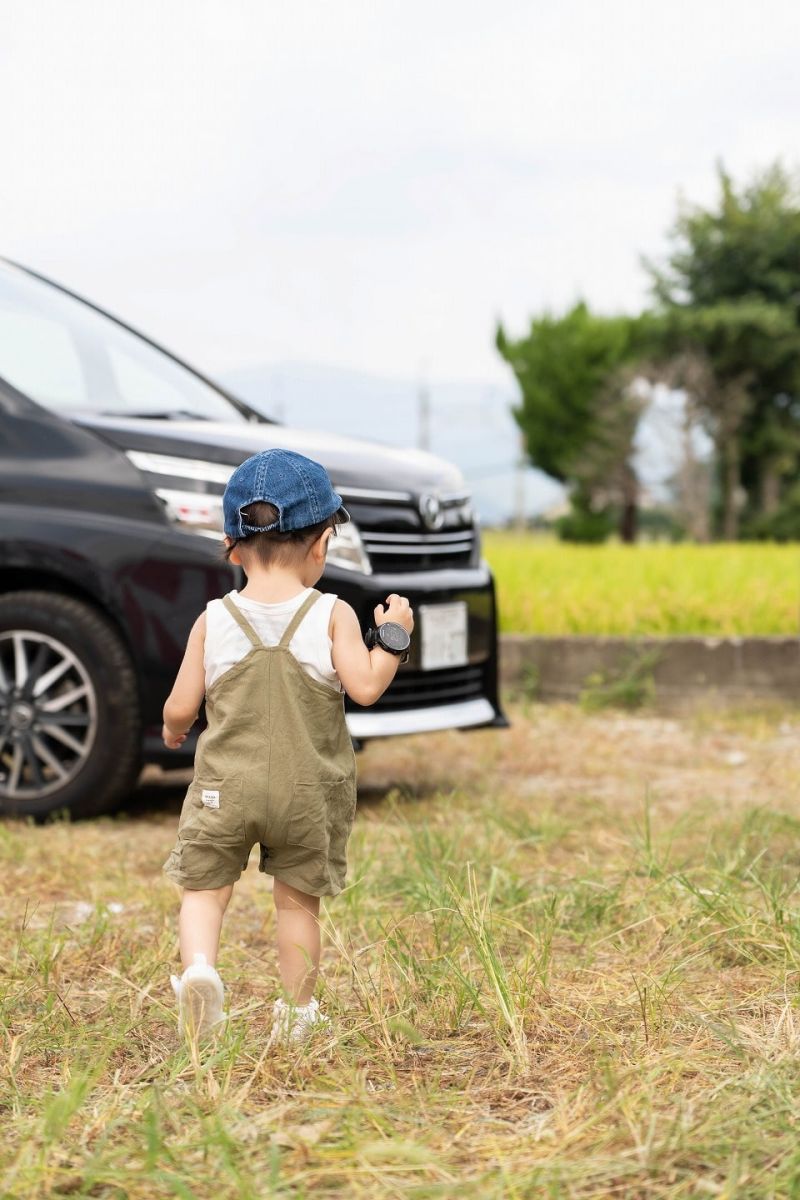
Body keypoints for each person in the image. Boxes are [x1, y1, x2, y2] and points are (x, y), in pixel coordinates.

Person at [161, 448, 414, 1043]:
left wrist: (175, 731)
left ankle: (199, 973)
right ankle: (298, 1014)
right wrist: (395, 635)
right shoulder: (332, 615)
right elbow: (367, 686)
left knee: (204, 891)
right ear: (323, 543)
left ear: (231, 545)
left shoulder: (213, 619)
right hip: (306, 794)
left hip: (226, 789)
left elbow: (179, 707)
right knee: (297, 906)